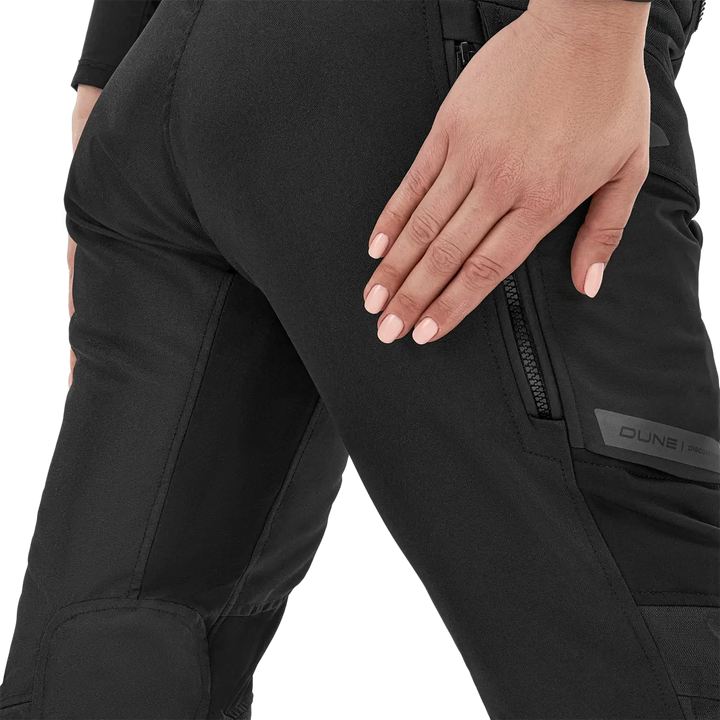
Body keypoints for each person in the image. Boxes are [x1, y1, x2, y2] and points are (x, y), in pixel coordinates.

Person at [1, 0, 718, 717]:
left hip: (163, 87)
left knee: (111, 656)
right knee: (658, 645)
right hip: (433, 49)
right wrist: (585, 28)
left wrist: (108, 97)